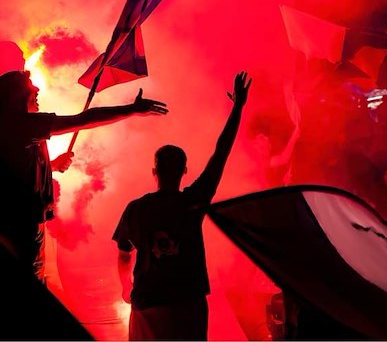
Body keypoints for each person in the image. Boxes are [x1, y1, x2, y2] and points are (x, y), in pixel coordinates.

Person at [112, 71, 251, 341]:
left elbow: (124, 254)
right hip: (188, 301)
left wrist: (125, 287)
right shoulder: (193, 201)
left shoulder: (136, 209)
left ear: (154, 171)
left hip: (148, 302)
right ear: (184, 171)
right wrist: (238, 107)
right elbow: (221, 153)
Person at [0, 69, 168, 282]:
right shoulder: (22, 124)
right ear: (16, 96)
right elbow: (84, 119)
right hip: (22, 222)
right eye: (30, 86)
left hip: (19, 219)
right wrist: (132, 110)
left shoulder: (12, 124)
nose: (37, 89)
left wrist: (51, 166)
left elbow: (14, 169)